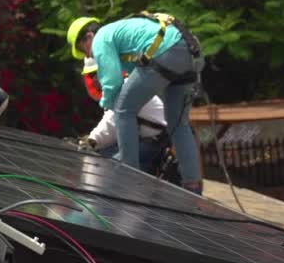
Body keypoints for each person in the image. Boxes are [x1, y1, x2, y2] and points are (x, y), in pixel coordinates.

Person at [66, 14, 204, 194]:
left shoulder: (101, 38)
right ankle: (193, 187)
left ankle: (129, 174)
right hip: (190, 54)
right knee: (178, 124)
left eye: (84, 50)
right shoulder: (123, 38)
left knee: (123, 109)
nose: (89, 55)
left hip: (166, 50)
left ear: (89, 38)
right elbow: (135, 73)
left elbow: (113, 83)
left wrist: (106, 103)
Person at [78, 57, 168, 175]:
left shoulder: (123, 87)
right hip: (147, 139)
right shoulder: (121, 85)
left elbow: (111, 124)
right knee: (102, 156)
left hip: (152, 142)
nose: (94, 78)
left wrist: (91, 141)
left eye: (97, 73)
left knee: (108, 168)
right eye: (91, 75)